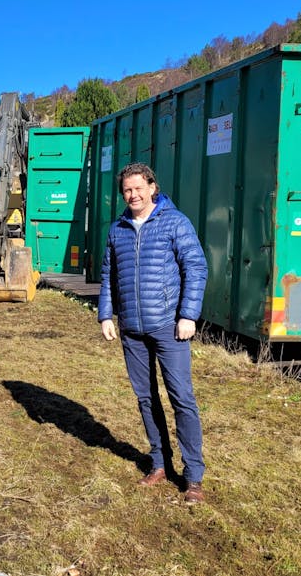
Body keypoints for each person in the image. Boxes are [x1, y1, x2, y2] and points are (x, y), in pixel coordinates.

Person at [98, 162, 209, 504]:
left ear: (152, 187)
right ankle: (159, 464)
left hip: (168, 328)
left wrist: (188, 315)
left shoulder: (175, 222)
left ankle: (192, 477)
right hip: (132, 329)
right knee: (146, 399)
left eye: (138, 188)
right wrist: (106, 315)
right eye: (127, 190)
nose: (132, 195)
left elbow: (196, 267)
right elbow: (108, 275)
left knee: (182, 400)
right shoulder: (118, 229)